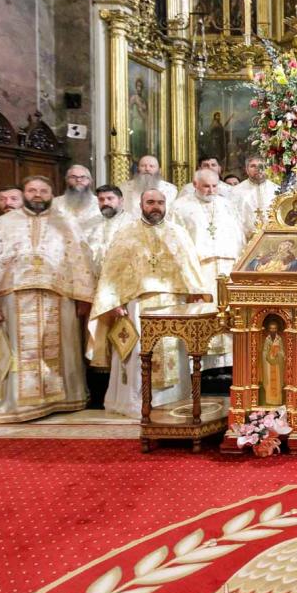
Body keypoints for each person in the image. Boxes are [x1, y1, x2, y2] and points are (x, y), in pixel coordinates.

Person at [0, 176, 96, 422]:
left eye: (43, 190)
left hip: (59, 297)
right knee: (17, 352)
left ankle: (63, 400)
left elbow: (81, 261)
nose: (37, 195)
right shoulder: (4, 224)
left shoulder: (67, 222)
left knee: (62, 351)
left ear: (52, 194)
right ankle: (15, 404)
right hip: (13, 297)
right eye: (32, 190)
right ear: (24, 194)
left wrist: (85, 298)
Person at [88, 189, 211, 419]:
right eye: (150, 202)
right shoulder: (126, 233)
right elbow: (113, 271)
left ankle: (173, 401)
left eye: (160, 202)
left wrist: (195, 293)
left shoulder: (177, 233)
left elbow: (189, 267)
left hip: (173, 303)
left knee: (174, 351)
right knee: (137, 354)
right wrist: (114, 301)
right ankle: (138, 403)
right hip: (137, 304)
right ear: (141, 205)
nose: (156, 207)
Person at [170, 169, 247, 369]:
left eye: (215, 186)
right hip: (200, 269)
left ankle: (229, 364)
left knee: (228, 314)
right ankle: (202, 366)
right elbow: (175, 241)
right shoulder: (180, 207)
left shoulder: (227, 205)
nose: (211, 190)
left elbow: (239, 236)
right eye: (206, 186)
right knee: (203, 312)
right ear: (195, 184)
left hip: (227, 267)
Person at [84, 185, 134, 272]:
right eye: (101, 199)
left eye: (110, 198)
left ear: (121, 201)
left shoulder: (132, 223)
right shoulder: (90, 223)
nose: (105, 203)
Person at [51, 164, 103, 232]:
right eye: (73, 177)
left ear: (90, 181)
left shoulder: (101, 204)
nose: (78, 180)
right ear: (67, 180)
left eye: (83, 177)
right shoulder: (55, 203)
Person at [233, 156, 279, 233]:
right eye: (253, 166)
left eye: (261, 166)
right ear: (247, 170)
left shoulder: (277, 190)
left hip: (272, 235)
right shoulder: (236, 191)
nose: (258, 169)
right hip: (246, 236)